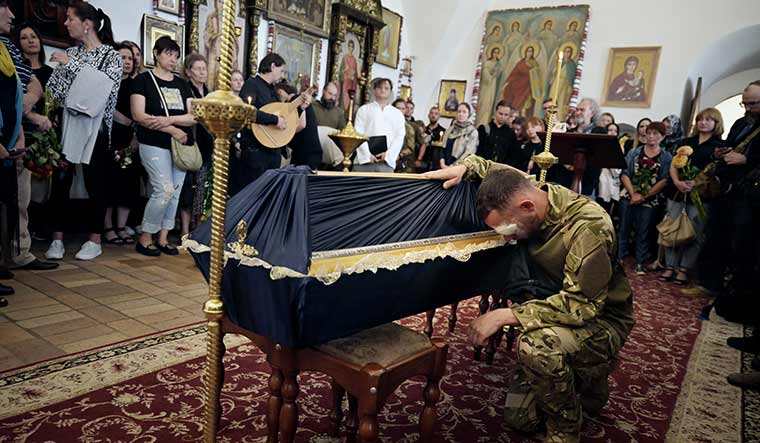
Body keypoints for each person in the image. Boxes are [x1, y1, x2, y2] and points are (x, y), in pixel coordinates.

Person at [423, 155, 635, 443]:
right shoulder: (529, 189)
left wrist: (504, 315)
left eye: (509, 229)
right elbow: (490, 167)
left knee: (535, 346)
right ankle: (587, 386)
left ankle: (566, 427)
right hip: (555, 306)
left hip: (601, 320)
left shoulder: (588, 225)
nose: (508, 238)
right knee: (520, 420)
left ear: (527, 207)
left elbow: (582, 306)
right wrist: (466, 167)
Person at [45, 1, 123, 261]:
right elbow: (56, 91)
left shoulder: (111, 56)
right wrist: (67, 69)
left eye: (70, 19)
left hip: (97, 127)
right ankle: (57, 239)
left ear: (86, 24)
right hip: (68, 123)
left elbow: (105, 89)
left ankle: (95, 239)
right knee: (61, 182)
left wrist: (71, 65)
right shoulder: (71, 52)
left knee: (95, 183)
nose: (66, 23)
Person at [130, 36, 195, 257]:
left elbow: (193, 117)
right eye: (168, 53)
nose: (173, 59)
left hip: (181, 145)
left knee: (174, 193)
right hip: (153, 142)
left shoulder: (182, 84)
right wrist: (171, 129)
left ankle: (163, 237)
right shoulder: (143, 80)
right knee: (164, 189)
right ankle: (145, 236)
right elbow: (139, 115)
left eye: (176, 55)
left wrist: (168, 121)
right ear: (156, 53)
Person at [4, 21, 57, 271]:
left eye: (33, 36)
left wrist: (27, 100)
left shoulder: (9, 51)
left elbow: (33, 83)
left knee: (21, 199)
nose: (11, 14)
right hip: (12, 134)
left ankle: (20, 252)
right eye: (23, 37)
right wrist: (27, 112)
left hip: (20, 135)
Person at [699, 81, 760, 298]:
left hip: (750, 195)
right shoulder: (740, 123)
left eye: (753, 103)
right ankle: (709, 284)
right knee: (716, 236)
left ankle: (735, 292)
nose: (748, 108)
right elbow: (732, 145)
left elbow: (750, 156)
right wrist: (720, 153)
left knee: (742, 243)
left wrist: (746, 159)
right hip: (726, 191)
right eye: (745, 104)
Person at [660, 108, 724, 286]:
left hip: (701, 195)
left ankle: (684, 269)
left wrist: (696, 182)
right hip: (677, 192)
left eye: (708, 120)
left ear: (716, 123)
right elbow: (674, 165)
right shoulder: (686, 142)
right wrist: (677, 182)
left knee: (695, 232)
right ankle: (670, 266)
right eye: (701, 119)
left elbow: (715, 171)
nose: (703, 123)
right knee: (671, 229)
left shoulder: (719, 146)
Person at [0, 0, 33, 300]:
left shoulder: (5, 47)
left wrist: (19, 131)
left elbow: (18, 90)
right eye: (4, 7)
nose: (11, 14)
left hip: (10, 142)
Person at [618, 121, 672, 274]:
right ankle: (619, 258)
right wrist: (633, 193)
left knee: (644, 230)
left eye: (655, 134)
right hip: (629, 195)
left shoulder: (666, 156)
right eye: (649, 133)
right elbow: (625, 173)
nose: (651, 136)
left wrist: (645, 195)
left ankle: (640, 261)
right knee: (624, 227)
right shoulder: (634, 152)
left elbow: (664, 180)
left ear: (662, 136)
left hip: (650, 198)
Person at [102, 42, 140, 246]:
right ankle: (108, 228)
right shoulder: (106, 82)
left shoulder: (136, 84)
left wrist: (134, 135)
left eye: (129, 59)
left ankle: (122, 227)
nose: (126, 62)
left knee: (128, 184)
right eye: (122, 58)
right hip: (109, 138)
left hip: (130, 139)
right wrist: (126, 121)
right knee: (109, 184)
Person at [233, 53, 288, 194]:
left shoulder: (272, 90)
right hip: (255, 151)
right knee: (252, 194)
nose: (282, 76)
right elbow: (247, 111)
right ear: (272, 66)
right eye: (281, 71)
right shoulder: (252, 84)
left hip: (271, 150)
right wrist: (275, 120)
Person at [179, 53, 213, 237]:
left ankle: (198, 228)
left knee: (202, 187)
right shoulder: (185, 89)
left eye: (204, 68)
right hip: (190, 143)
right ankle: (184, 229)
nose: (202, 72)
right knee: (187, 188)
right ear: (188, 71)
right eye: (198, 68)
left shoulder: (210, 93)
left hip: (207, 146)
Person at [353, 78, 405, 173]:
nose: (383, 90)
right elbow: (358, 133)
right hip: (364, 161)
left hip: (386, 163)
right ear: (375, 89)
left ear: (390, 91)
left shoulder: (397, 114)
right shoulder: (364, 110)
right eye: (380, 87)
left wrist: (388, 155)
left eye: (386, 88)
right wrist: (367, 155)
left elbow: (399, 137)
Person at [274, 82, 320, 170]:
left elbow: (301, 124)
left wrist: (283, 134)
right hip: (308, 150)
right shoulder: (299, 99)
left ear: (280, 92)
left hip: (305, 151)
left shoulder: (295, 100)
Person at [502, 44, 543, 116]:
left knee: (525, 105)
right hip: (518, 86)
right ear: (525, 52)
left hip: (528, 87)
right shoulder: (520, 62)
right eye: (528, 51)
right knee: (514, 102)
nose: (529, 53)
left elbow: (537, 75)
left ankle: (523, 119)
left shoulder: (534, 63)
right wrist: (507, 83)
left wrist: (532, 69)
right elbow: (514, 73)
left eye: (531, 51)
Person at [476, 100, 517, 165]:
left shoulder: (511, 133)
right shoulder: (483, 128)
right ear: (495, 112)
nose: (503, 117)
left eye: (506, 115)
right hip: (483, 166)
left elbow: (512, 155)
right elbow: (478, 151)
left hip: (501, 169)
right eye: (500, 114)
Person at [440, 103, 478, 168]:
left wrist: (453, 166)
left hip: (459, 167)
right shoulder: (450, 129)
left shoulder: (472, 132)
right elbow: (443, 147)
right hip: (444, 165)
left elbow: (468, 153)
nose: (461, 114)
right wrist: (442, 163)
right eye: (459, 111)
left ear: (469, 115)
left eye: (464, 112)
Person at [394, 98, 417, 173]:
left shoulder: (408, 127)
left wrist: (400, 155)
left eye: (403, 108)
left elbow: (410, 147)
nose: (400, 111)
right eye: (398, 108)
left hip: (402, 162)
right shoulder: (386, 123)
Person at [423, 105, 446, 171]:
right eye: (432, 113)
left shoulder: (443, 131)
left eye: (436, 114)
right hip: (424, 162)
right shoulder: (424, 130)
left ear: (439, 116)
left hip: (437, 164)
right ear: (428, 115)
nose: (433, 115)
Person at [340, 39, 359, 109]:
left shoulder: (354, 59)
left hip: (351, 83)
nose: (351, 48)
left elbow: (356, 73)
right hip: (345, 82)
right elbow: (340, 72)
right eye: (350, 46)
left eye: (352, 47)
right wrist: (346, 70)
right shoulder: (345, 58)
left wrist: (354, 76)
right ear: (348, 47)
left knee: (350, 101)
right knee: (344, 98)